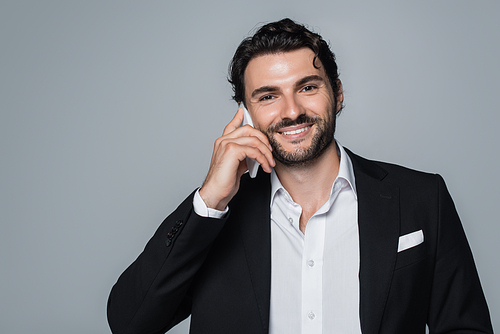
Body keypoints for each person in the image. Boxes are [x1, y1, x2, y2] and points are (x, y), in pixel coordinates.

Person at [107, 18, 493, 334]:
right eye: (268, 96)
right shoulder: (216, 217)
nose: (291, 111)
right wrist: (209, 200)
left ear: (337, 93)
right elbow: (129, 323)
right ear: (247, 113)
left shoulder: (422, 199)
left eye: (307, 87)